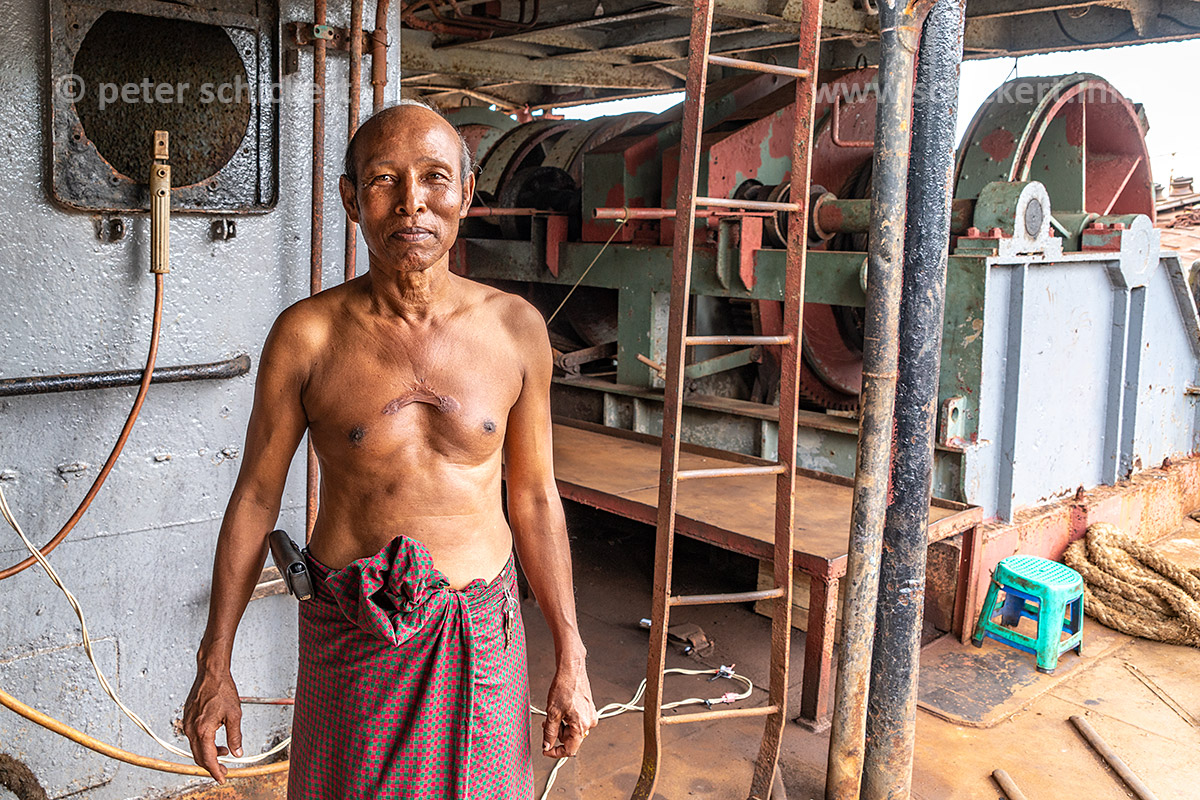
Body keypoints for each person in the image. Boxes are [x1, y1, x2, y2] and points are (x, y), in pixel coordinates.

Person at [182, 100, 598, 798]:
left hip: (481, 630)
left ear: (466, 192)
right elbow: (255, 498)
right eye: (384, 180)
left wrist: (571, 653)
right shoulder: (307, 336)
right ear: (352, 199)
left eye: (435, 177)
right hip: (354, 630)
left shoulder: (515, 330)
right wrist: (214, 662)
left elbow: (532, 496)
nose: (412, 203)